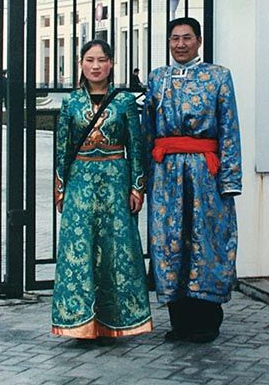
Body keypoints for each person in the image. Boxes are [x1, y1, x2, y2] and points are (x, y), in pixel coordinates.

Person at [142, 17, 242, 343]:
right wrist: (143, 177)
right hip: (166, 173)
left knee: (205, 240)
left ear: (198, 41)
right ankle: (179, 321)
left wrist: (229, 178)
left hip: (205, 174)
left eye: (187, 38)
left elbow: (229, 127)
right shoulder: (157, 78)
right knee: (170, 242)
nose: (180, 44)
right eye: (175, 38)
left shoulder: (218, 76)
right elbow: (147, 130)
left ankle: (206, 320)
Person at [52, 39, 152, 343]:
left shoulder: (124, 102)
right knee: (79, 249)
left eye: (102, 60)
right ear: (81, 64)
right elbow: (62, 148)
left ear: (111, 64)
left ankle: (116, 321)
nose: (95, 66)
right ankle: (80, 321)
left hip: (115, 184)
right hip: (80, 183)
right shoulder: (71, 102)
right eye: (90, 60)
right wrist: (60, 188)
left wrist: (137, 187)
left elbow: (136, 146)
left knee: (116, 250)